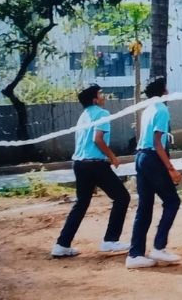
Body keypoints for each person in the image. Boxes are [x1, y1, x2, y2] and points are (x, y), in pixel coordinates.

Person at [52, 84, 131, 257]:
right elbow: (98, 139)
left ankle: (62, 245)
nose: (104, 96)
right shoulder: (102, 113)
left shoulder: (84, 116)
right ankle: (110, 241)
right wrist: (112, 156)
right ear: (95, 99)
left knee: (81, 204)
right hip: (95, 164)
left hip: (80, 164)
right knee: (122, 197)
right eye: (101, 94)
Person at [126, 77, 182, 269]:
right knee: (172, 201)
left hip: (141, 157)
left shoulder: (149, 109)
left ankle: (135, 255)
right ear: (163, 91)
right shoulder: (161, 110)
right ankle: (159, 247)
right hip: (152, 158)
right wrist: (171, 169)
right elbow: (157, 143)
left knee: (144, 207)